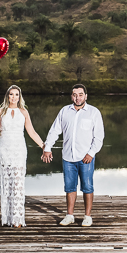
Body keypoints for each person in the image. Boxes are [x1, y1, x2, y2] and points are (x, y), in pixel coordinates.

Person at [41, 84, 104, 227]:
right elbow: (54, 130)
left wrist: (91, 153)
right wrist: (47, 147)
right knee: (70, 187)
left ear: (86, 96)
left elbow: (99, 137)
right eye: (75, 95)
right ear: (71, 96)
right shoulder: (64, 111)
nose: (77, 97)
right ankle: (69, 215)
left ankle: (87, 216)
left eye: (80, 94)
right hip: (68, 157)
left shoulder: (93, 112)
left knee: (87, 187)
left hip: (85, 157)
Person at [0, 85, 45, 228]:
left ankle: (17, 219)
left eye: (16, 94)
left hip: (19, 150)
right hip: (4, 150)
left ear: (20, 96)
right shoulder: (0, 111)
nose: (14, 97)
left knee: (18, 184)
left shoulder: (23, 112)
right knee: (6, 183)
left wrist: (44, 146)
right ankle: (7, 218)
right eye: (11, 94)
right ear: (7, 96)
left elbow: (31, 132)